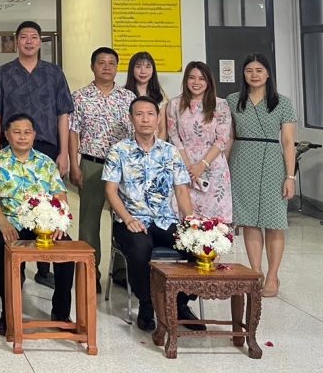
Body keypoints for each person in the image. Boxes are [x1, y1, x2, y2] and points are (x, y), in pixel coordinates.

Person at [103, 97, 202, 332]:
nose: (145, 119)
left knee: (198, 247)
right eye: (139, 114)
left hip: (165, 219)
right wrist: (128, 218)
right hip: (131, 220)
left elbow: (181, 191)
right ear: (131, 119)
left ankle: (180, 302)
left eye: (150, 114)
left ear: (158, 119)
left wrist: (191, 223)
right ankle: (147, 303)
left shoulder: (170, 152)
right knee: (140, 249)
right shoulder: (119, 151)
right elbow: (110, 191)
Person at [0, 21, 73, 288]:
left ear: (40, 41)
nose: (28, 41)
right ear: (16, 41)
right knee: (16, 203)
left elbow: (63, 113)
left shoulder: (54, 73)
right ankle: (18, 270)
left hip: (47, 147)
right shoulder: (3, 73)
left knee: (46, 207)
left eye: (33, 37)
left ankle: (44, 269)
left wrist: (64, 152)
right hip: (11, 148)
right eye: (23, 37)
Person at [0, 113, 75, 334]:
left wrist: (59, 223)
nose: (22, 137)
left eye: (27, 132)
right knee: (0, 246)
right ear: (7, 135)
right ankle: (8, 311)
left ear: (34, 135)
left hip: (43, 224)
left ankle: (61, 312)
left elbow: (60, 195)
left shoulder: (46, 162)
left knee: (67, 249)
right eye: (17, 132)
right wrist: (3, 223)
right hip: (10, 221)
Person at [227, 53, 297, 298]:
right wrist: (222, 169)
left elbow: (288, 142)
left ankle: (273, 275)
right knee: (250, 221)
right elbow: (229, 137)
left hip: (272, 164)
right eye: (249, 70)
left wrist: (290, 177)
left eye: (259, 70)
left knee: (274, 222)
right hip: (241, 161)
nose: (254, 75)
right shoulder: (233, 100)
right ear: (243, 74)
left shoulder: (282, 103)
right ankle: (255, 272)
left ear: (268, 74)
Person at [67, 47, 134, 290]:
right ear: (92, 66)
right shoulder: (80, 97)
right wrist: (74, 164)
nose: (106, 67)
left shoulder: (128, 97)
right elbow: (73, 132)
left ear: (117, 67)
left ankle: (121, 269)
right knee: (89, 220)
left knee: (123, 217)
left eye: (111, 63)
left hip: (122, 167)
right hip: (91, 163)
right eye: (101, 62)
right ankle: (89, 271)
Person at [167, 62, 233, 223]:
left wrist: (202, 165)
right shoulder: (175, 104)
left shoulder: (220, 104)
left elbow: (222, 139)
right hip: (184, 165)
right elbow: (173, 137)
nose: (196, 82)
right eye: (192, 78)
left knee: (214, 223)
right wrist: (188, 166)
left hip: (213, 166)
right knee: (185, 219)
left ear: (208, 81)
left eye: (201, 78)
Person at [124, 51, 167, 139]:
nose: (143, 71)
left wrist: (157, 147)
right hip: (128, 144)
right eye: (138, 66)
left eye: (148, 67)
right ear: (132, 70)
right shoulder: (123, 94)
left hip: (154, 144)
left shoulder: (160, 95)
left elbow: (163, 129)